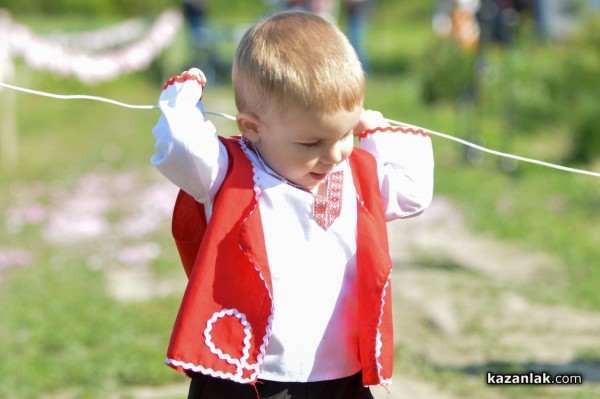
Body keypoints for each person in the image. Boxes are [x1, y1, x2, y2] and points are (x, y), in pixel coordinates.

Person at [151, 11, 434, 399]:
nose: (334, 154)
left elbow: (414, 191)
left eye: (345, 134)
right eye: (310, 143)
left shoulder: (356, 174)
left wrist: (374, 129)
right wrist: (184, 93)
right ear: (252, 128)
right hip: (252, 377)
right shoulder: (228, 172)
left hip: (338, 373)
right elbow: (179, 148)